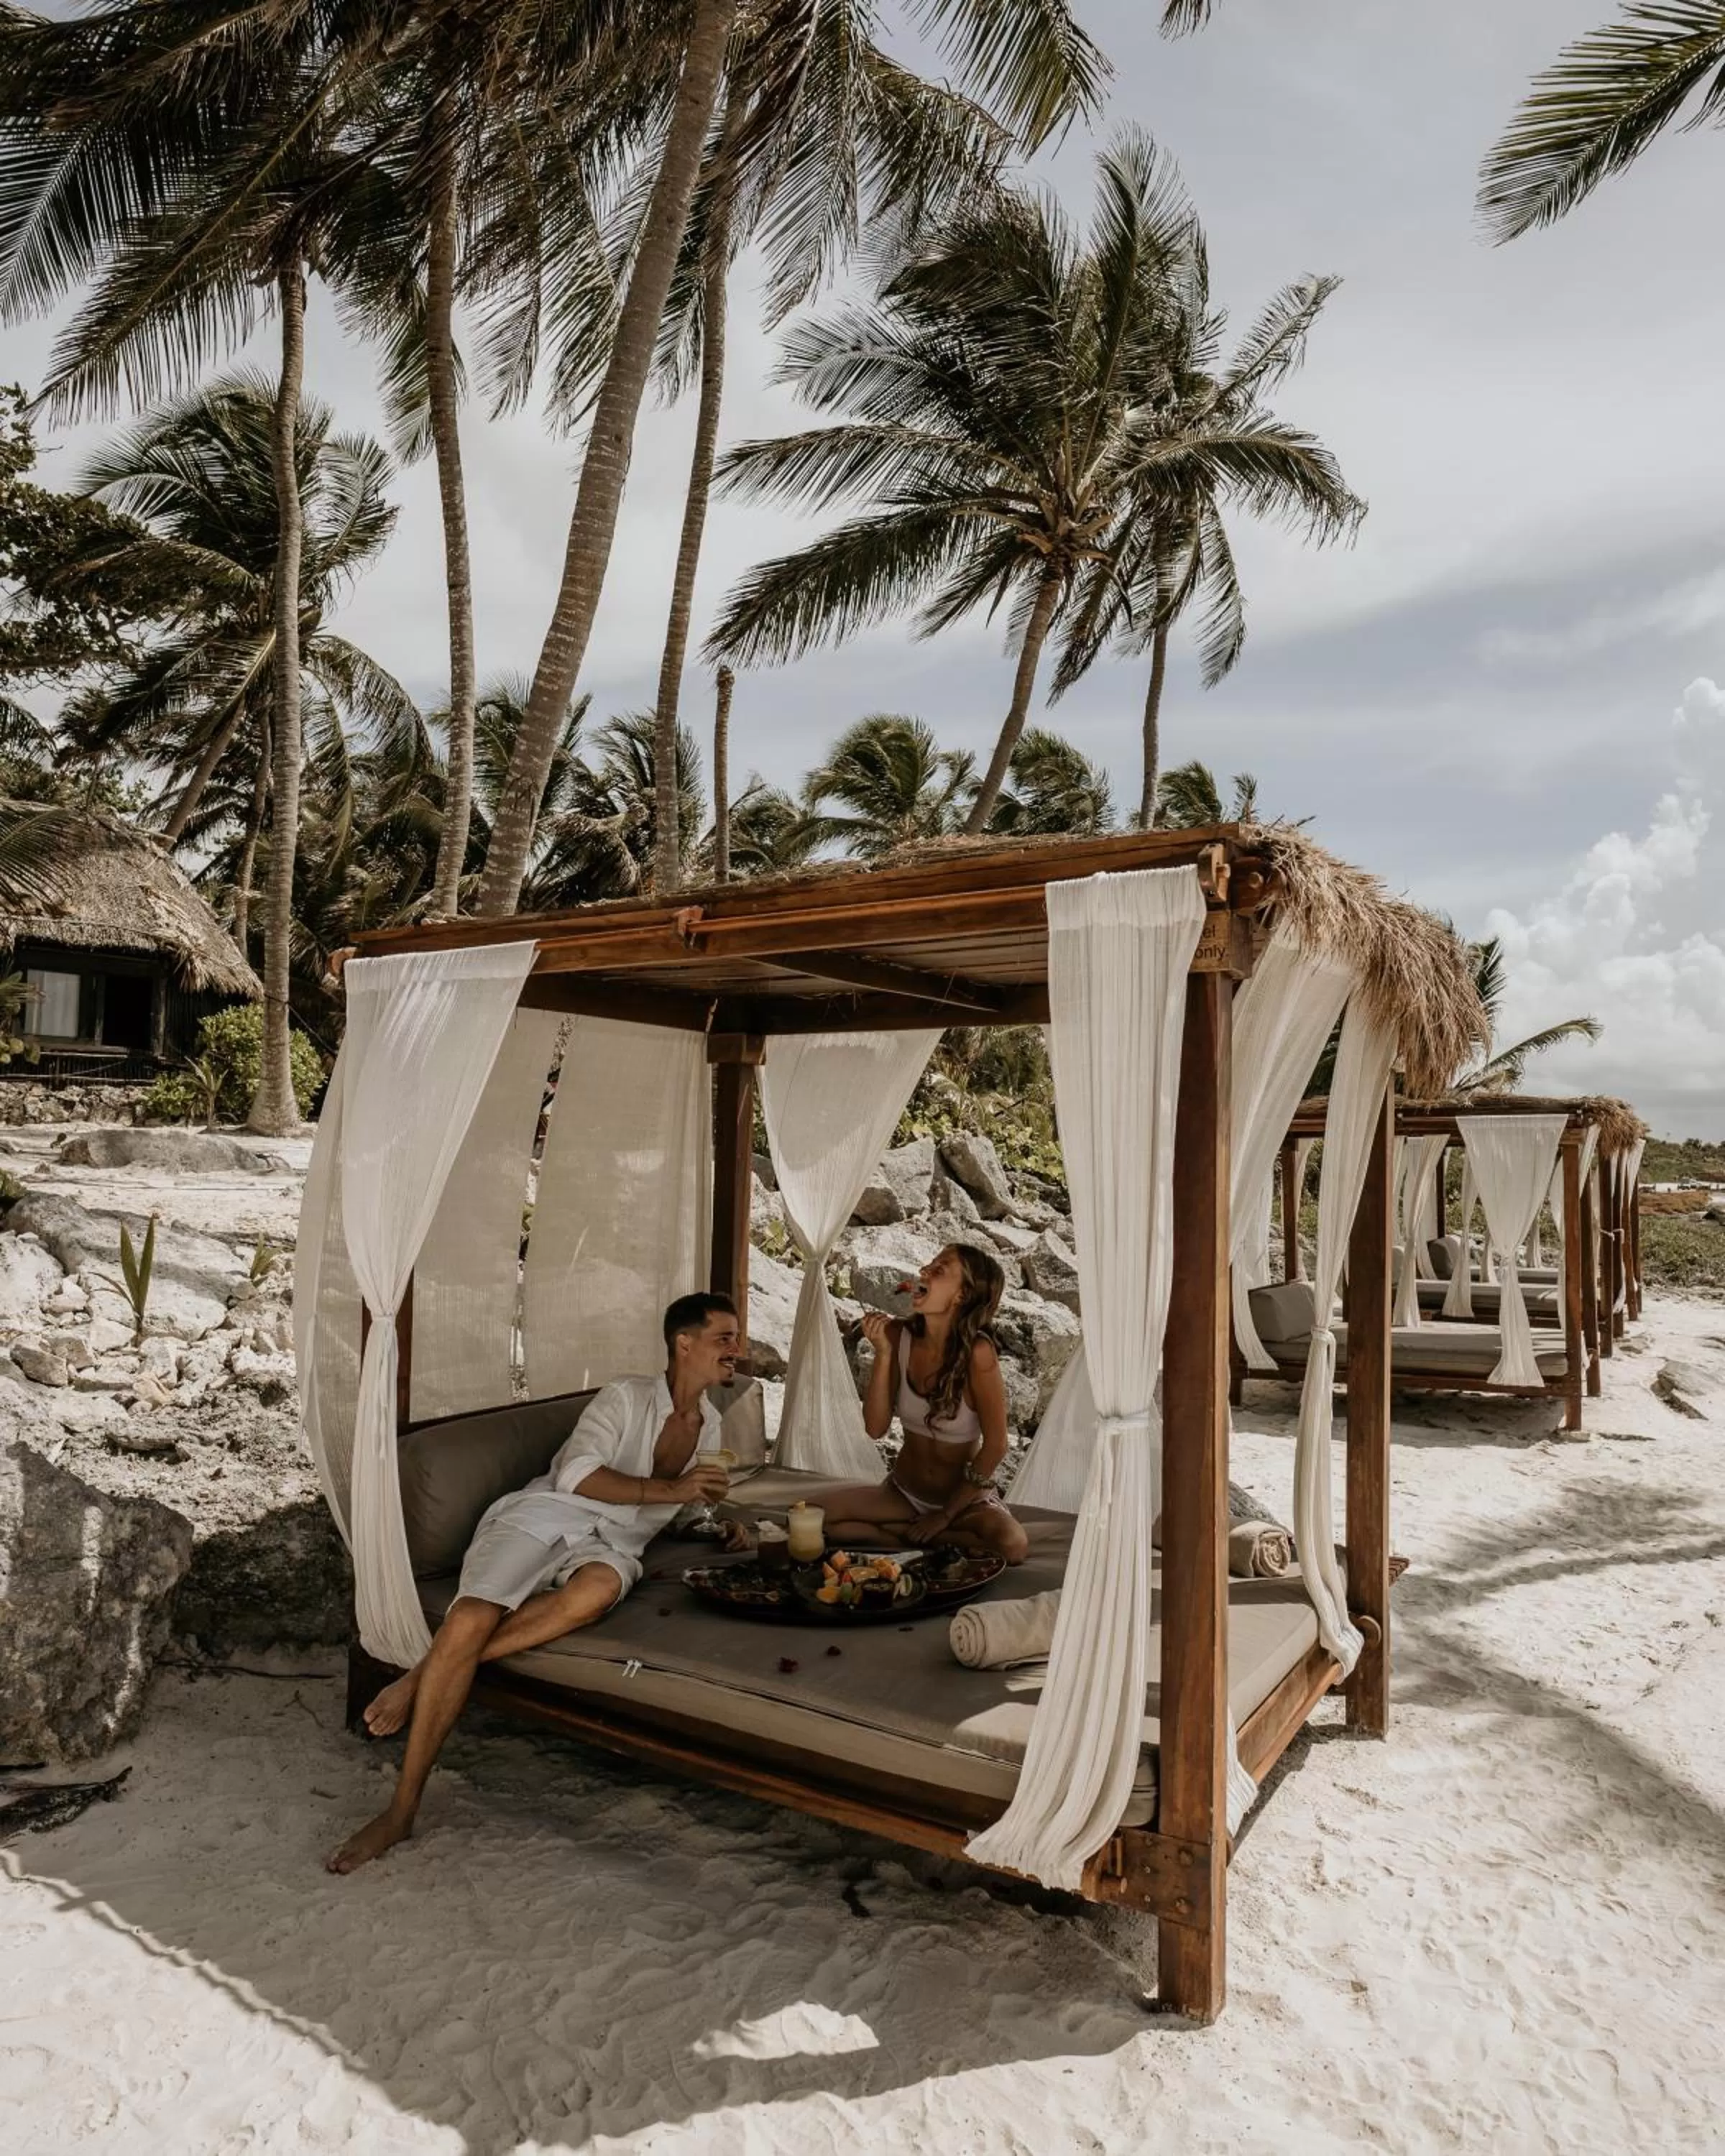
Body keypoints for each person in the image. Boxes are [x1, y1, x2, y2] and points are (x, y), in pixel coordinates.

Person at [327, 1291, 743, 1875]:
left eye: (736, 1338)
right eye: (724, 1337)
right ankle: (401, 1810)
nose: (737, 1348)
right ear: (684, 1343)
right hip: (548, 1516)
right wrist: (674, 1490)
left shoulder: (712, 1425)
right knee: (470, 1618)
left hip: (612, 1545)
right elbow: (577, 1475)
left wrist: (712, 1523)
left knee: (596, 1592)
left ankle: (422, 1675)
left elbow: (681, 1508)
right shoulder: (625, 1397)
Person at [822, 1244, 1029, 1565]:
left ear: (962, 1295)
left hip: (963, 1505)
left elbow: (997, 1446)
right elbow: (875, 1428)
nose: (924, 1272)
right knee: (811, 1515)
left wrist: (944, 1516)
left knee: (1012, 1545)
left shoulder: (978, 1354)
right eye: (929, 1265)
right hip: (904, 1495)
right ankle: (921, 1540)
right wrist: (883, 1354)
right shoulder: (897, 1335)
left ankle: (905, 1537)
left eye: (939, 1270)